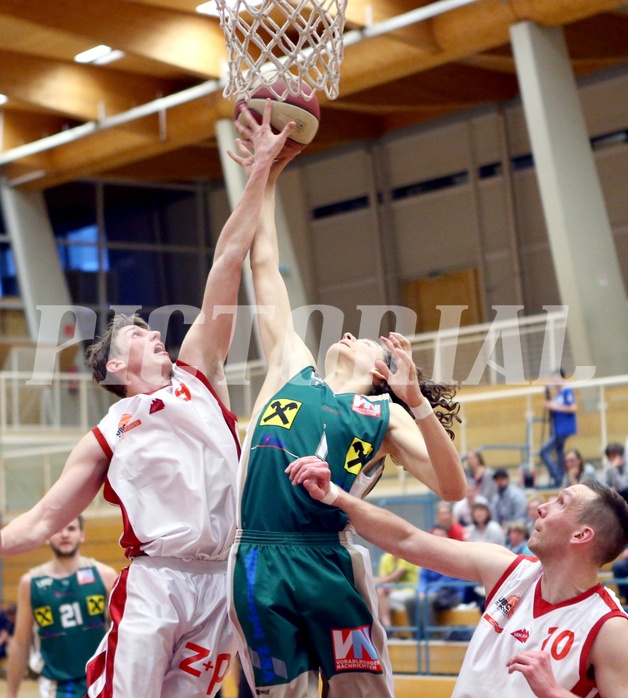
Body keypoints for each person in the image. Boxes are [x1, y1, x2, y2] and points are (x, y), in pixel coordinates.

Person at [0, 102, 295, 698]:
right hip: (156, 581)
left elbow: (227, 260)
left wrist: (261, 168)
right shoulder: (107, 433)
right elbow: (37, 522)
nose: (157, 332)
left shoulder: (200, 374)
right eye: (140, 333)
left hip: (219, 581)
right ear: (115, 365)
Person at [227, 113, 467, 697]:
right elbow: (264, 265)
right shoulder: (292, 368)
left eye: (364, 340)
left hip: (328, 563)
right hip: (256, 558)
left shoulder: (384, 417)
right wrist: (269, 172)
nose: (352, 335)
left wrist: (415, 404)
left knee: (360, 691)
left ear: (381, 375)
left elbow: (452, 487)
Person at [291, 461, 628, 697]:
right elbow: (408, 540)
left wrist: (553, 692)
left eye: (561, 503)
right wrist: (335, 495)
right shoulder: (508, 570)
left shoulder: (609, 627)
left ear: (582, 534)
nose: (542, 507)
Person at [7, 517, 117, 698]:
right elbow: (20, 643)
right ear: (47, 537)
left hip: (102, 678)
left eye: (72, 529)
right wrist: (11, 694)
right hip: (56, 685)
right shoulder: (31, 583)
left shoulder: (105, 575)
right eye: (58, 529)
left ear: (82, 535)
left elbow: (121, 633)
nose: (65, 534)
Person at [415, 526, 469, 640]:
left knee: (425, 599)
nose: (438, 538)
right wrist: (421, 591)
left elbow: (447, 579)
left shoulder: (453, 554)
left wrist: (427, 592)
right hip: (433, 593)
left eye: (441, 535)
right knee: (409, 600)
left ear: (447, 537)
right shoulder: (426, 555)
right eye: (435, 535)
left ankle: (432, 637)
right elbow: (423, 577)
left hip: (452, 593)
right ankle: (418, 635)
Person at [539, 369, 577, 487]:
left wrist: (554, 406)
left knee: (544, 451)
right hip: (557, 429)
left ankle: (558, 477)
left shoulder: (567, 391)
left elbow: (573, 407)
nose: (554, 382)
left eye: (556, 379)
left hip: (563, 429)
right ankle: (560, 478)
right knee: (560, 455)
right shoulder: (558, 395)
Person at [374, 552, 419, 631]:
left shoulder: (408, 556)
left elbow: (397, 575)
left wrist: (374, 581)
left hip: (410, 589)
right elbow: (384, 579)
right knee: (378, 591)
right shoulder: (385, 558)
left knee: (379, 592)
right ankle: (385, 625)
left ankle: (384, 625)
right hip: (392, 589)